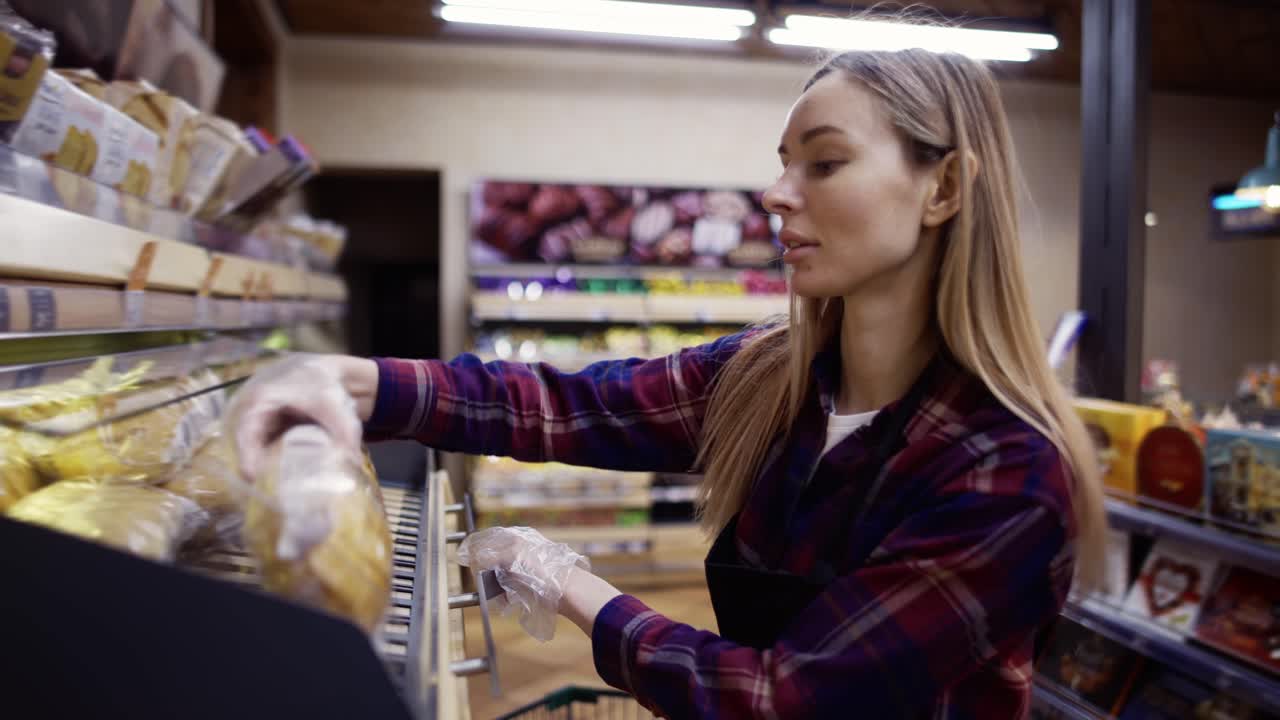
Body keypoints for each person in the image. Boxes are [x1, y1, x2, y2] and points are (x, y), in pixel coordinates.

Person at [229, 46, 1106, 719]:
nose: (775, 193)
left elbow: (781, 700)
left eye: (824, 162)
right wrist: (357, 384)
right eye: (782, 161)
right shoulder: (772, 378)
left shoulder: (1007, 478)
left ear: (945, 186)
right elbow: (568, 403)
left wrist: (569, 583)